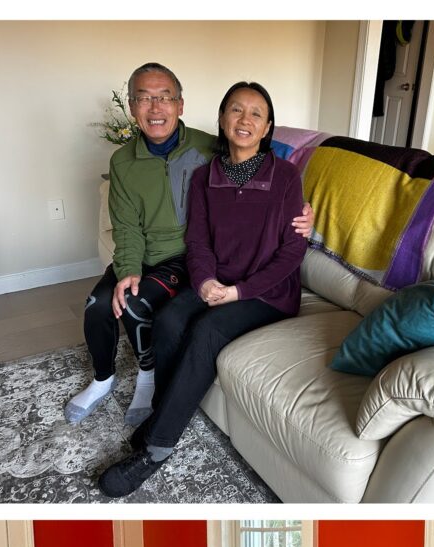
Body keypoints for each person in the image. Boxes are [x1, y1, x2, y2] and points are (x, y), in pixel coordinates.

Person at [65, 65, 312, 429]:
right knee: (97, 304)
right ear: (132, 107)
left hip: (183, 257)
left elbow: (261, 163)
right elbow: (127, 226)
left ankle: (148, 379)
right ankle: (103, 379)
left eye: (165, 97)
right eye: (144, 98)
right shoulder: (123, 161)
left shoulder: (208, 146)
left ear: (180, 104)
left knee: (134, 304)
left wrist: (304, 212)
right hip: (148, 254)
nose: (155, 107)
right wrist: (129, 268)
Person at [99, 81, 307, 497]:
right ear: (222, 119)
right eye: (236, 109)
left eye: (256, 113)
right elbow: (198, 242)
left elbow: (293, 251)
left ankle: (156, 448)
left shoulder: (285, 176)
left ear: (267, 128)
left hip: (267, 293)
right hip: (217, 280)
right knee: (169, 319)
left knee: (206, 330)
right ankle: (163, 414)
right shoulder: (204, 177)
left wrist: (238, 292)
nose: (245, 119)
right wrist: (208, 281)